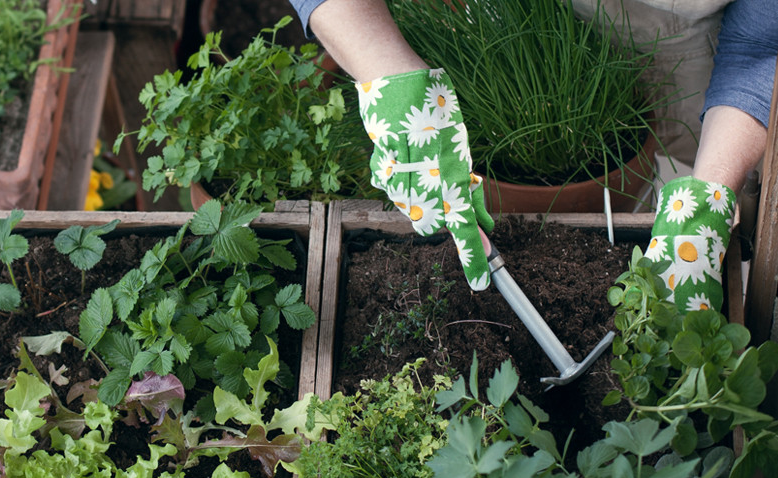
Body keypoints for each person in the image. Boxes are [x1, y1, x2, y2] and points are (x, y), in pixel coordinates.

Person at [288, 0, 776, 313]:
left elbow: (761, 42)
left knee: (669, 174)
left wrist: (710, 190)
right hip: (520, 37)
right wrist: (390, 76)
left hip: (695, 62)